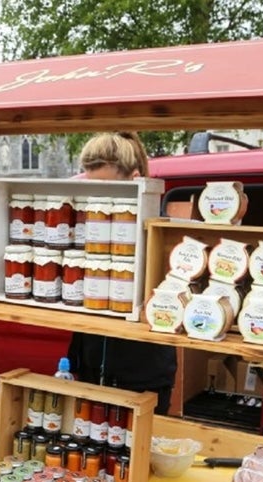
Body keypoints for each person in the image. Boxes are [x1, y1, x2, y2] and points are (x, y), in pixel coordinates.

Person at [66, 132, 177, 414]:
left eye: (107, 187)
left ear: (136, 178)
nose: (100, 198)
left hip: (143, 376)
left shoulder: (164, 238)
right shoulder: (92, 228)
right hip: (91, 366)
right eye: (93, 187)